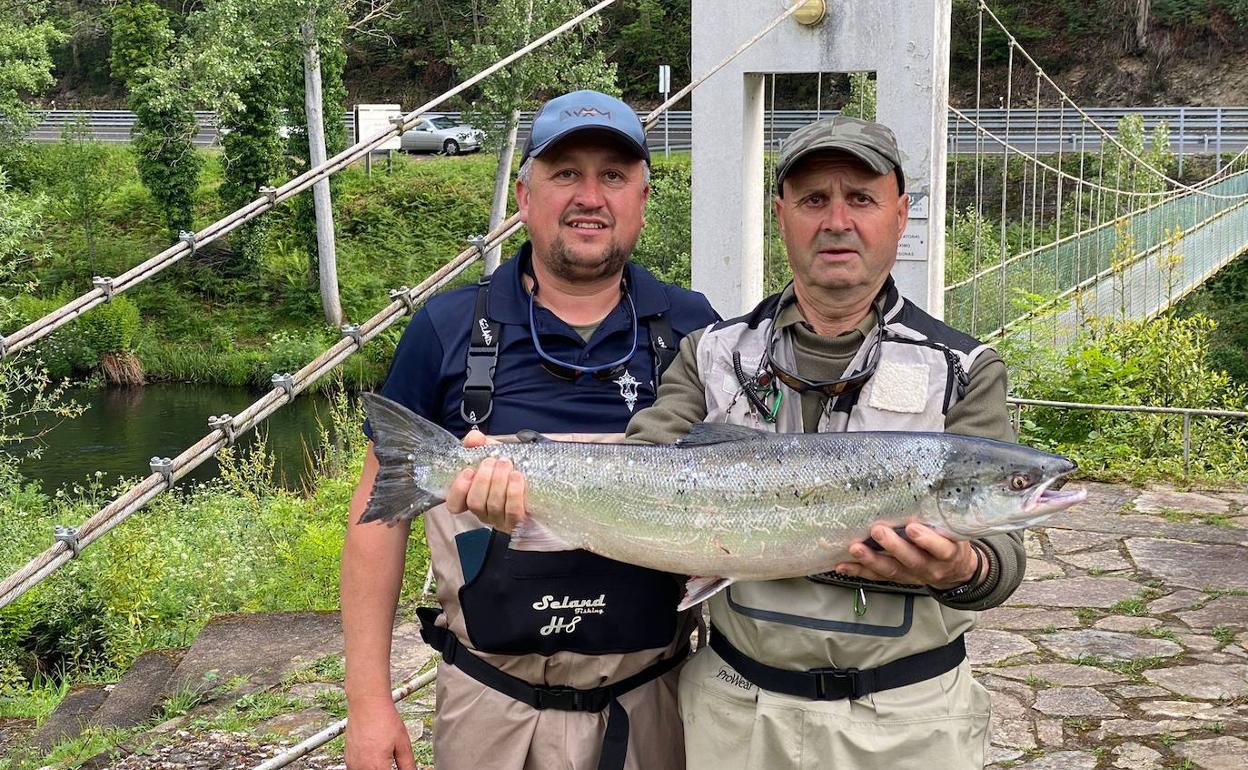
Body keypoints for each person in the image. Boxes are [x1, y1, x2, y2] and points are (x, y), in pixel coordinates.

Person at [455, 116, 1026, 768]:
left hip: (911, 722)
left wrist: (963, 569)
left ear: (900, 214)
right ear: (780, 215)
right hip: (736, 717)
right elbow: (645, 470)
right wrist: (524, 475)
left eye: (861, 198)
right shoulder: (711, 353)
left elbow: (1002, 560)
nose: (837, 220)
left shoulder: (964, 368)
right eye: (814, 199)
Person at [341, 89, 719, 770]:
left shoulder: (698, 332)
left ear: (642, 197)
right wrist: (368, 703)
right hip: (490, 708)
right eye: (565, 173)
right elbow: (377, 520)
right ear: (524, 194)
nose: (590, 196)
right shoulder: (448, 328)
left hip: (653, 706)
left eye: (613, 175)